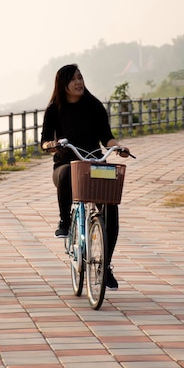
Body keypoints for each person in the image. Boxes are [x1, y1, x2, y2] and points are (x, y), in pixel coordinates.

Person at [41, 64, 131, 290]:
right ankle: (64, 221)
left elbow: (106, 138)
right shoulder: (54, 109)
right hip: (65, 164)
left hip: (94, 164)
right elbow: (43, 141)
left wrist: (119, 147)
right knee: (65, 173)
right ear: (63, 84)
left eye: (80, 78)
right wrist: (52, 145)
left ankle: (105, 265)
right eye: (73, 79)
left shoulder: (94, 106)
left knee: (111, 208)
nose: (78, 82)